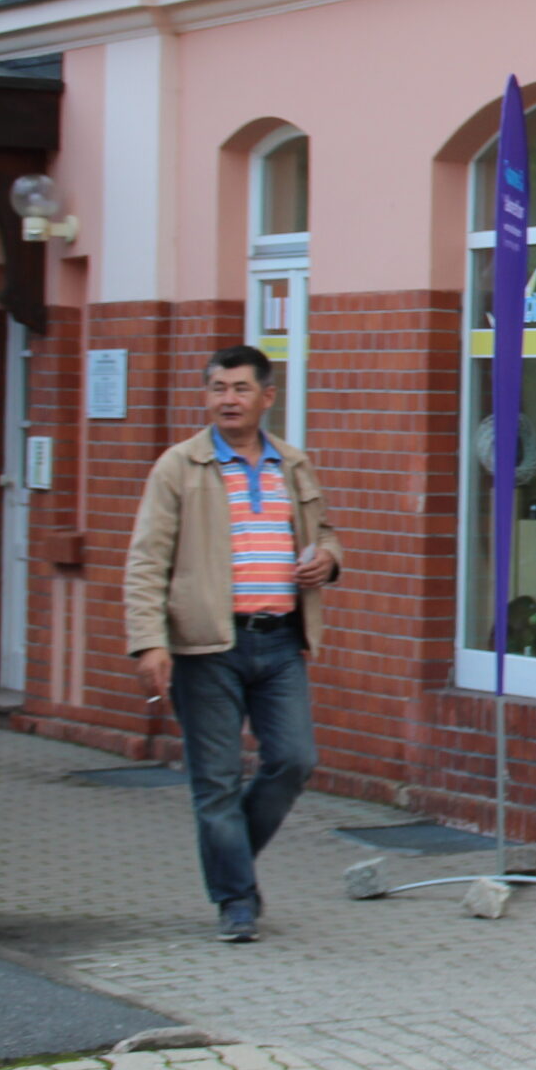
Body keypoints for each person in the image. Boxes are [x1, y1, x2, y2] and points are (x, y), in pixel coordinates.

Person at [124, 347, 342, 943]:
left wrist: (328, 559)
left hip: (278, 642)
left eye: (240, 388)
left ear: (266, 397)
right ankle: (236, 901)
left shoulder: (293, 465)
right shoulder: (179, 467)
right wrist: (149, 642)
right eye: (218, 388)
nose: (228, 399)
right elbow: (146, 562)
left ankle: (230, 863)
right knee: (215, 781)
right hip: (205, 647)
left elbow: (323, 535)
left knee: (295, 760)